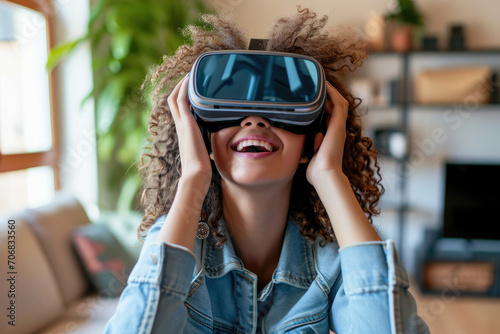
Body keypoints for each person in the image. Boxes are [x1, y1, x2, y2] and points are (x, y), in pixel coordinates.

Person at [105, 7, 429, 334]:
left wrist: (331, 177)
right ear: (203, 137)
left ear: (311, 142)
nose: (255, 120)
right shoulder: (176, 240)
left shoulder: (333, 260)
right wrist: (191, 180)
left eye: (277, 105)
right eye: (234, 105)